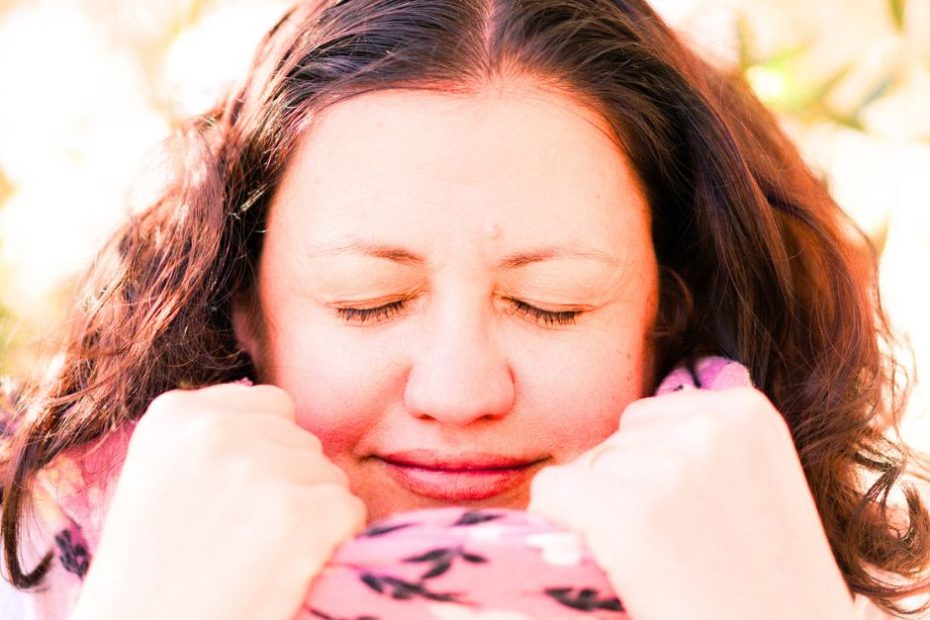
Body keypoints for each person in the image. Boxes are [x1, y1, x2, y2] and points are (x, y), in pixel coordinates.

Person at [1, 0, 928, 617]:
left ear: (668, 309)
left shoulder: (809, 578)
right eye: (370, 302)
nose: (459, 391)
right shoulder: (28, 554)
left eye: (549, 305)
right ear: (242, 307)